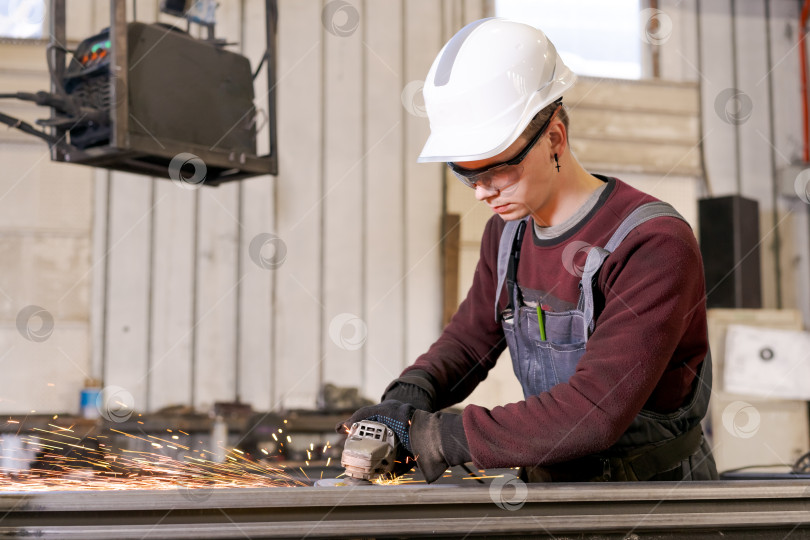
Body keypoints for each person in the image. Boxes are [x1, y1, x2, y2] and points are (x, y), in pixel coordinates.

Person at [339, 18, 717, 483]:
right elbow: (470, 340)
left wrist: (438, 438)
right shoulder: (507, 235)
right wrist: (409, 395)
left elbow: (593, 412)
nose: (482, 193)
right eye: (468, 175)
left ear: (555, 137)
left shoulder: (652, 244)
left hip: (655, 499)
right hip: (557, 487)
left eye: (497, 171)